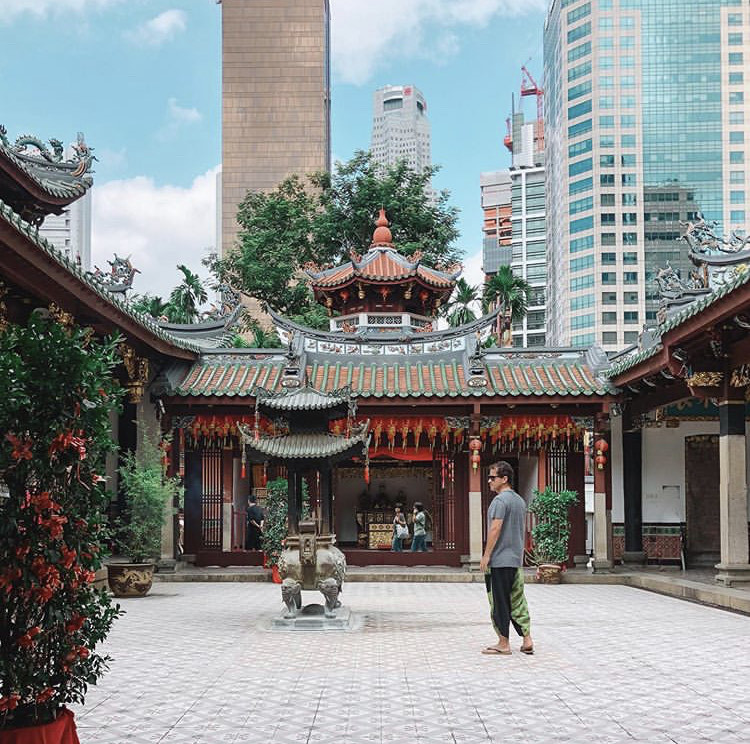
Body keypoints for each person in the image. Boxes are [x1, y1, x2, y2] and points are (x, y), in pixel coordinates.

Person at [480, 461, 533, 656]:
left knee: (499, 602)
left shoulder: (500, 501)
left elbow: (496, 528)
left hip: (500, 561)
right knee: (518, 600)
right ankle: (527, 639)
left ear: (504, 479)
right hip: (515, 561)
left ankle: (503, 642)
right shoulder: (519, 501)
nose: (489, 481)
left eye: (492, 477)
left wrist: (486, 555)